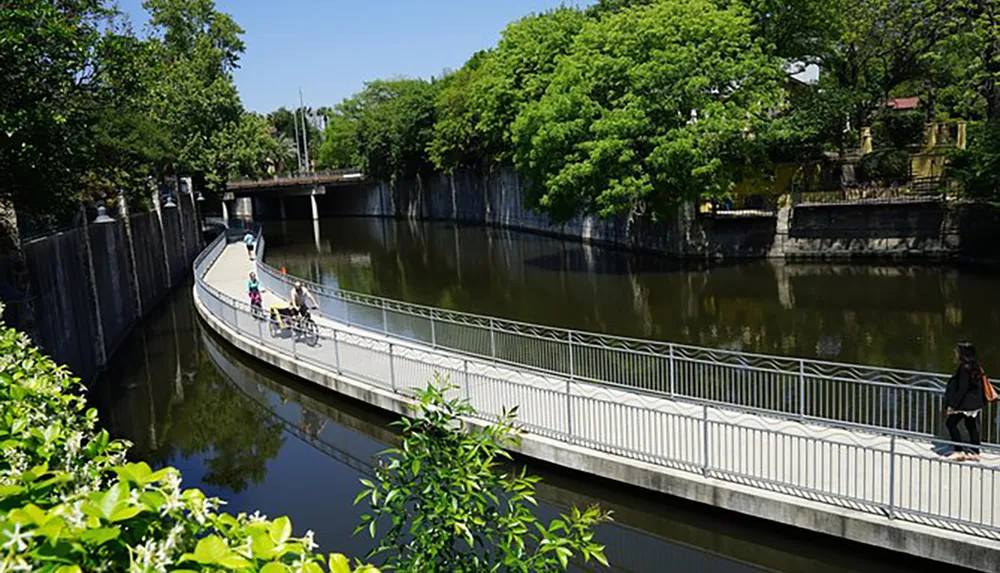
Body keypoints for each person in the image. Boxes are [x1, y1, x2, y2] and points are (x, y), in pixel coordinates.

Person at [943, 342, 985, 461]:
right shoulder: (975, 365)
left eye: (957, 351)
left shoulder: (964, 367)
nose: (955, 353)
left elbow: (962, 388)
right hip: (974, 403)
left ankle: (959, 450)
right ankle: (975, 451)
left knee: (950, 423)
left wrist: (953, 406)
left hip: (965, 403)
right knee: (970, 425)